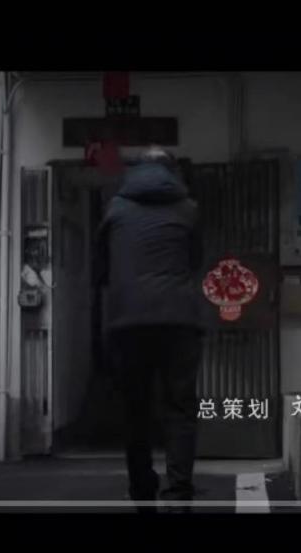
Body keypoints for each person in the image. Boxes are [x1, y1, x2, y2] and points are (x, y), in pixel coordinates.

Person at [95, 146, 205, 513]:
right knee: (180, 408)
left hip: (128, 321)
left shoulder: (116, 209)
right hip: (179, 319)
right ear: (172, 171)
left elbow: (100, 268)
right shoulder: (188, 209)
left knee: (135, 410)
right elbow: (194, 261)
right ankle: (179, 493)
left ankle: (142, 491)